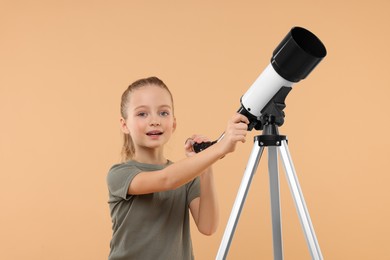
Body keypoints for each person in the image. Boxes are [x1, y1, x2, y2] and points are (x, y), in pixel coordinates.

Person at [106, 76, 249, 260]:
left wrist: (205, 166)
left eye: (163, 113)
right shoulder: (120, 174)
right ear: (125, 125)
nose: (154, 120)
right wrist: (218, 148)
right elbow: (166, 180)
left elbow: (208, 226)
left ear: (173, 123)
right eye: (142, 114)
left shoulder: (185, 176)